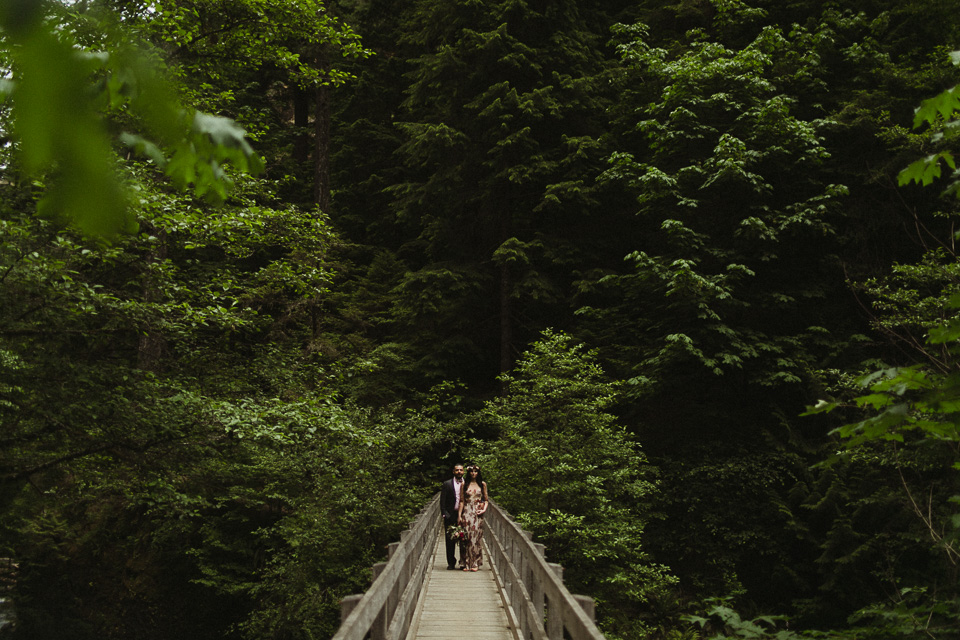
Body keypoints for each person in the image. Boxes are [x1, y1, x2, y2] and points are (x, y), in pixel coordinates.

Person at [457, 464, 488, 572]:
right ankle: (465, 562)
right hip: (467, 511)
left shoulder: (482, 484)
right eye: (471, 471)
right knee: (466, 537)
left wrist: (483, 509)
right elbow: (461, 501)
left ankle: (475, 562)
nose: (473, 473)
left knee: (475, 537)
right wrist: (459, 515)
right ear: (469, 473)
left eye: (475, 471)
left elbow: (486, 500)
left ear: (478, 473)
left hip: (477, 513)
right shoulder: (464, 484)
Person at [440, 463, 465, 570]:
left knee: (464, 538)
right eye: (457, 470)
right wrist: (445, 514)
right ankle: (451, 562)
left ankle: (463, 561)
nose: (459, 472)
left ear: (463, 471)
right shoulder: (447, 484)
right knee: (449, 539)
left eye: (461, 470)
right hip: (450, 514)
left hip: (464, 515)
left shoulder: (467, 483)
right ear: (453, 472)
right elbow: (442, 501)